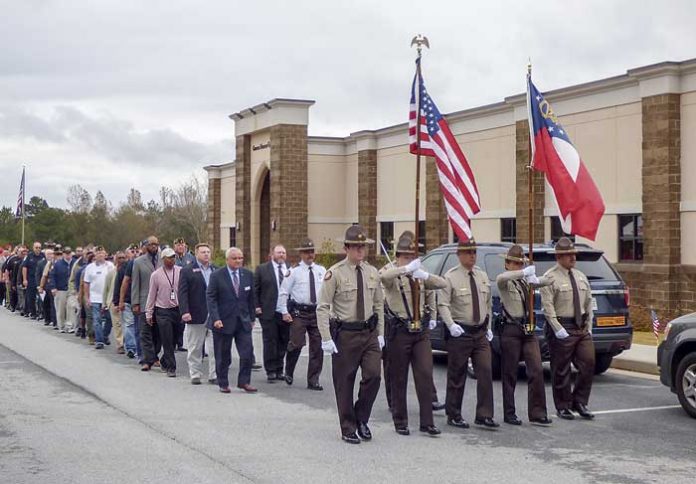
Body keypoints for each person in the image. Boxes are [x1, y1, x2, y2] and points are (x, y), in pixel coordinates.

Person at [317, 225, 385, 445]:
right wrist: (326, 337)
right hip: (345, 334)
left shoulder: (372, 272)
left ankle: (361, 417)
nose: (360, 252)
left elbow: (378, 306)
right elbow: (323, 307)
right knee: (344, 382)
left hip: (368, 332)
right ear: (346, 248)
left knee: (374, 375)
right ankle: (348, 427)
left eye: (363, 247)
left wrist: (381, 333)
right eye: (356, 247)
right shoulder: (334, 273)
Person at [380, 231, 447, 436]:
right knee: (398, 377)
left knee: (425, 374)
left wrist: (424, 275)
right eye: (406, 256)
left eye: (412, 257)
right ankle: (400, 420)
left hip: (420, 332)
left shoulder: (420, 272)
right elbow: (383, 277)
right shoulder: (391, 271)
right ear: (398, 256)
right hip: (399, 330)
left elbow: (441, 284)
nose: (410, 260)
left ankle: (426, 422)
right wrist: (404, 269)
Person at [438, 238, 499, 429]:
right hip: (461, 332)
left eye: (474, 252)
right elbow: (443, 304)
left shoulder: (481, 275)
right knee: (457, 374)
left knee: (485, 371)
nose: (472, 255)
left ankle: (484, 414)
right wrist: (450, 325)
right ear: (459, 255)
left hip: (480, 332)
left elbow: (487, 302)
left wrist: (488, 327)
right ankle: (453, 413)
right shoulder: (451, 277)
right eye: (468, 252)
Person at [496, 244, 552, 426]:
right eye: (515, 263)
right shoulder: (504, 280)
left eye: (521, 263)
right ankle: (509, 412)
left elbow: (543, 281)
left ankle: (537, 412)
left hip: (528, 330)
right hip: (511, 329)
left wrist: (547, 277)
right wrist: (524, 272)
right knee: (510, 373)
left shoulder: (526, 280)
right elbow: (502, 278)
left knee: (536, 369)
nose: (518, 266)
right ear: (507, 263)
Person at [540, 237, 596, 420]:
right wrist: (557, 328)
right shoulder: (550, 277)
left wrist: (589, 326)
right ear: (559, 257)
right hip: (562, 326)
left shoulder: (581, 276)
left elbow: (589, 302)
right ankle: (563, 405)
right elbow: (547, 307)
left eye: (573, 254)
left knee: (588, 363)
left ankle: (579, 402)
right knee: (561, 369)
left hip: (580, 327)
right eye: (568, 255)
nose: (572, 258)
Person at [276, 238, 325, 390]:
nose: (310, 255)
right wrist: (284, 311)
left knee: (317, 347)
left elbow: (327, 292)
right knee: (296, 343)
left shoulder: (321, 271)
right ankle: (289, 370)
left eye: (312, 252)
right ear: (301, 254)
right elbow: (283, 293)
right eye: (306, 252)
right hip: (299, 312)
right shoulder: (294, 272)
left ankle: (313, 380)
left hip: (316, 312)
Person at [206, 247, 257, 394]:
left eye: (240, 258)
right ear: (228, 260)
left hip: (243, 321)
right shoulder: (217, 276)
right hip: (223, 321)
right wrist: (216, 318)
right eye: (235, 258)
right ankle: (223, 382)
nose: (238, 261)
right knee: (223, 355)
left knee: (247, 353)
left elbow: (251, 298)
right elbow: (211, 298)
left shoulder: (247, 275)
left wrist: (252, 318)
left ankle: (244, 382)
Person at [178, 243, 217, 385]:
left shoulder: (215, 270)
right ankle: (195, 373)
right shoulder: (187, 271)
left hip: (213, 315)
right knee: (195, 346)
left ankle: (214, 375)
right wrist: (185, 311)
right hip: (195, 313)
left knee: (215, 347)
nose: (206, 254)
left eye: (208, 251)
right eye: (203, 252)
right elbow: (182, 293)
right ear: (196, 254)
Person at [254, 244, 290, 383]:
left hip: (285, 312)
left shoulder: (290, 269)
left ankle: (280, 369)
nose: (281, 255)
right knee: (270, 341)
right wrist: (257, 307)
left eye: (283, 252)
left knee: (283, 341)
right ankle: (270, 370)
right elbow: (256, 290)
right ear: (272, 254)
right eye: (279, 252)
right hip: (268, 311)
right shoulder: (262, 269)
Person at [145, 248, 181, 377]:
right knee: (166, 338)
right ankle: (171, 367)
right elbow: (151, 294)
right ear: (163, 259)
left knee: (175, 339)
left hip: (177, 309)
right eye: (169, 257)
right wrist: (148, 313)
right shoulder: (156, 275)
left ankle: (165, 360)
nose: (172, 259)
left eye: (173, 257)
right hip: (162, 310)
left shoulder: (180, 272)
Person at [132, 236, 162, 371]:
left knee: (158, 332)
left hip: (161, 302)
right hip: (144, 301)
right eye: (151, 244)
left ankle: (154, 355)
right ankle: (146, 360)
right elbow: (135, 284)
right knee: (145, 332)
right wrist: (135, 303)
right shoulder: (138, 262)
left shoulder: (164, 260)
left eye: (156, 244)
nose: (154, 247)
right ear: (146, 246)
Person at [83, 246, 114, 349]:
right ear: (95, 255)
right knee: (97, 320)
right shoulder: (90, 267)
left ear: (105, 254)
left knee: (110, 319)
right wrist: (87, 298)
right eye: (98, 253)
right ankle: (99, 341)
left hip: (107, 298)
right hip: (95, 297)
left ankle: (105, 335)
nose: (100, 255)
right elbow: (86, 284)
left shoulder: (110, 266)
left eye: (102, 253)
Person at [117, 244, 139, 359]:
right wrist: (118, 302)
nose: (135, 253)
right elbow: (119, 284)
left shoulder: (142, 263)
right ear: (127, 254)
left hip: (139, 300)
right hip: (127, 300)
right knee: (129, 324)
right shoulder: (124, 267)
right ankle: (131, 347)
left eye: (136, 251)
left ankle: (138, 347)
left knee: (138, 325)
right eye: (132, 251)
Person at [103, 251, 127, 354]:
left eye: (123, 258)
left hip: (125, 301)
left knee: (126, 324)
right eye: (119, 258)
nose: (121, 260)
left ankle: (128, 343)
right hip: (113, 302)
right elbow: (106, 289)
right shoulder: (111, 273)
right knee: (117, 324)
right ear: (115, 260)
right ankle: (120, 344)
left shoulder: (127, 271)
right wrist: (104, 304)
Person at [50, 247, 75, 333]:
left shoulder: (74, 263)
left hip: (72, 290)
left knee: (71, 307)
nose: (68, 255)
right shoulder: (57, 264)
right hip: (60, 289)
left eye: (69, 253)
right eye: (66, 253)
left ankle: (70, 325)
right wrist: (53, 287)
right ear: (63, 254)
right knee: (60, 309)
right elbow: (52, 276)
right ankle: (61, 325)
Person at [22, 241, 44, 319]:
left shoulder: (43, 256)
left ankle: (41, 313)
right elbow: (24, 268)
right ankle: (33, 313)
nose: (38, 249)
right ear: (33, 248)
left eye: (39, 248)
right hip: (31, 279)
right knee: (31, 297)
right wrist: (24, 279)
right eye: (36, 247)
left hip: (40, 280)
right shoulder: (29, 256)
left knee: (42, 297)